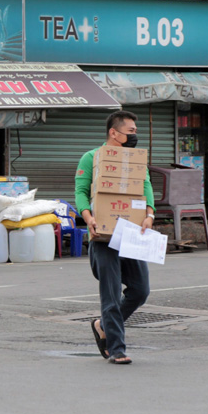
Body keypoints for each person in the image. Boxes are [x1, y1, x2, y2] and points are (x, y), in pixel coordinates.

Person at [74, 110, 155, 365]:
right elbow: (80, 191)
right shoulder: (91, 158)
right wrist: (88, 218)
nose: (135, 136)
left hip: (130, 234)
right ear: (114, 132)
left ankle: (102, 325)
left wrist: (149, 214)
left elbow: (146, 187)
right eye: (131, 131)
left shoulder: (136, 160)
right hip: (103, 236)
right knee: (110, 293)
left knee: (140, 291)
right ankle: (117, 348)